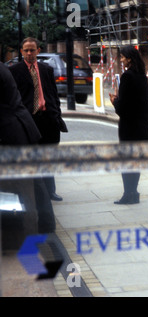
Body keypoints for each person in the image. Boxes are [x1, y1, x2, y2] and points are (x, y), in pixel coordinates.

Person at [9, 37, 68, 202]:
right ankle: (36, 192)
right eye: (26, 50)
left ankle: (50, 191)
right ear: (21, 52)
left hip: (48, 120)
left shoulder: (46, 69)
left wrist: (56, 113)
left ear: (38, 51)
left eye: (32, 50)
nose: (29, 53)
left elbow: (53, 94)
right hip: (29, 120)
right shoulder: (15, 71)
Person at [0, 61, 55, 234]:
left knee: (26, 183)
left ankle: (32, 226)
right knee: (35, 180)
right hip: (20, 127)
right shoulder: (2, 66)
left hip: (13, 131)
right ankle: (46, 224)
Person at [109, 46, 148, 204]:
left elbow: (123, 109)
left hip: (129, 128)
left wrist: (115, 101)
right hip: (142, 127)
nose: (121, 60)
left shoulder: (127, 77)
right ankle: (134, 193)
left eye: (122, 57)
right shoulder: (142, 76)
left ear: (129, 58)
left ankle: (128, 195)